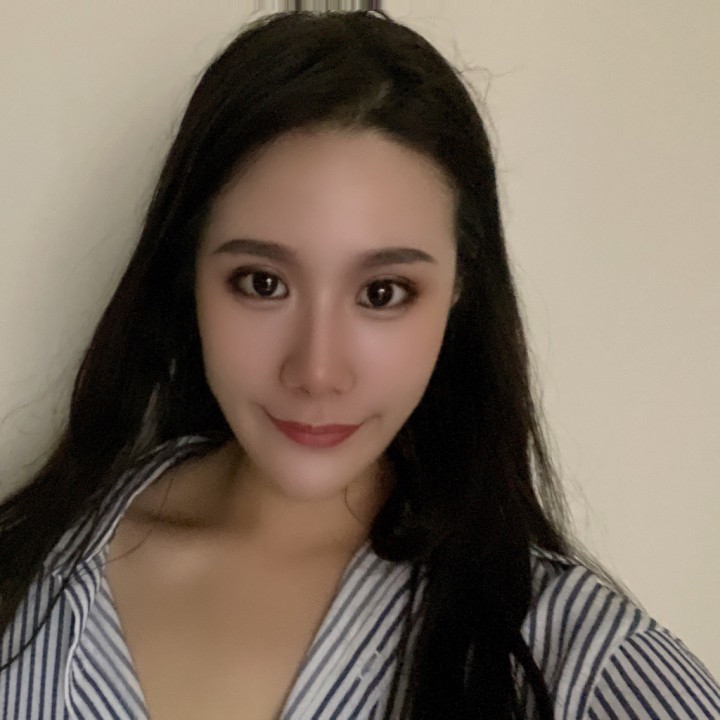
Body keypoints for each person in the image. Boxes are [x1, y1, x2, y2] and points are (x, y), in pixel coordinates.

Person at [0, 9, 718, 720]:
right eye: (262, 283)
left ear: (461, 288)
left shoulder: (579, 664)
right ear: (189, 272)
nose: (317, 372)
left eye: (382, 293)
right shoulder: (27, 574)